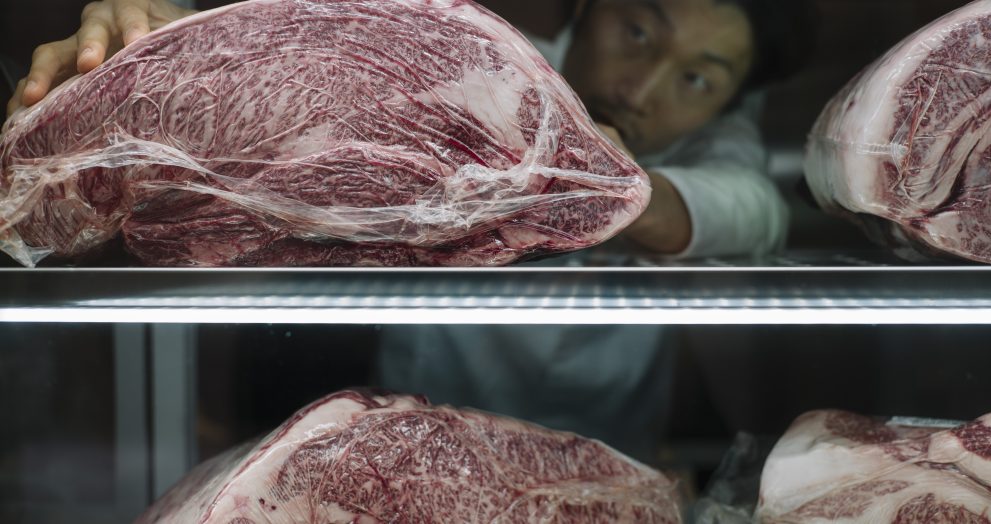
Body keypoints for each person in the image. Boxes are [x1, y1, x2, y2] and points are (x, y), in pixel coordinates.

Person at [7, 0, 816, 459]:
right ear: (586, 9)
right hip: (402, 437)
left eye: (697, 78)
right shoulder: (474, 64)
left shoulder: (716, 143)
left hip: (603, 451)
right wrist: (167, 45)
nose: (642, 88)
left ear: (729, 99)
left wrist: (593, 178)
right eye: (636, 32)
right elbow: (304, 75)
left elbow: (751, 205)